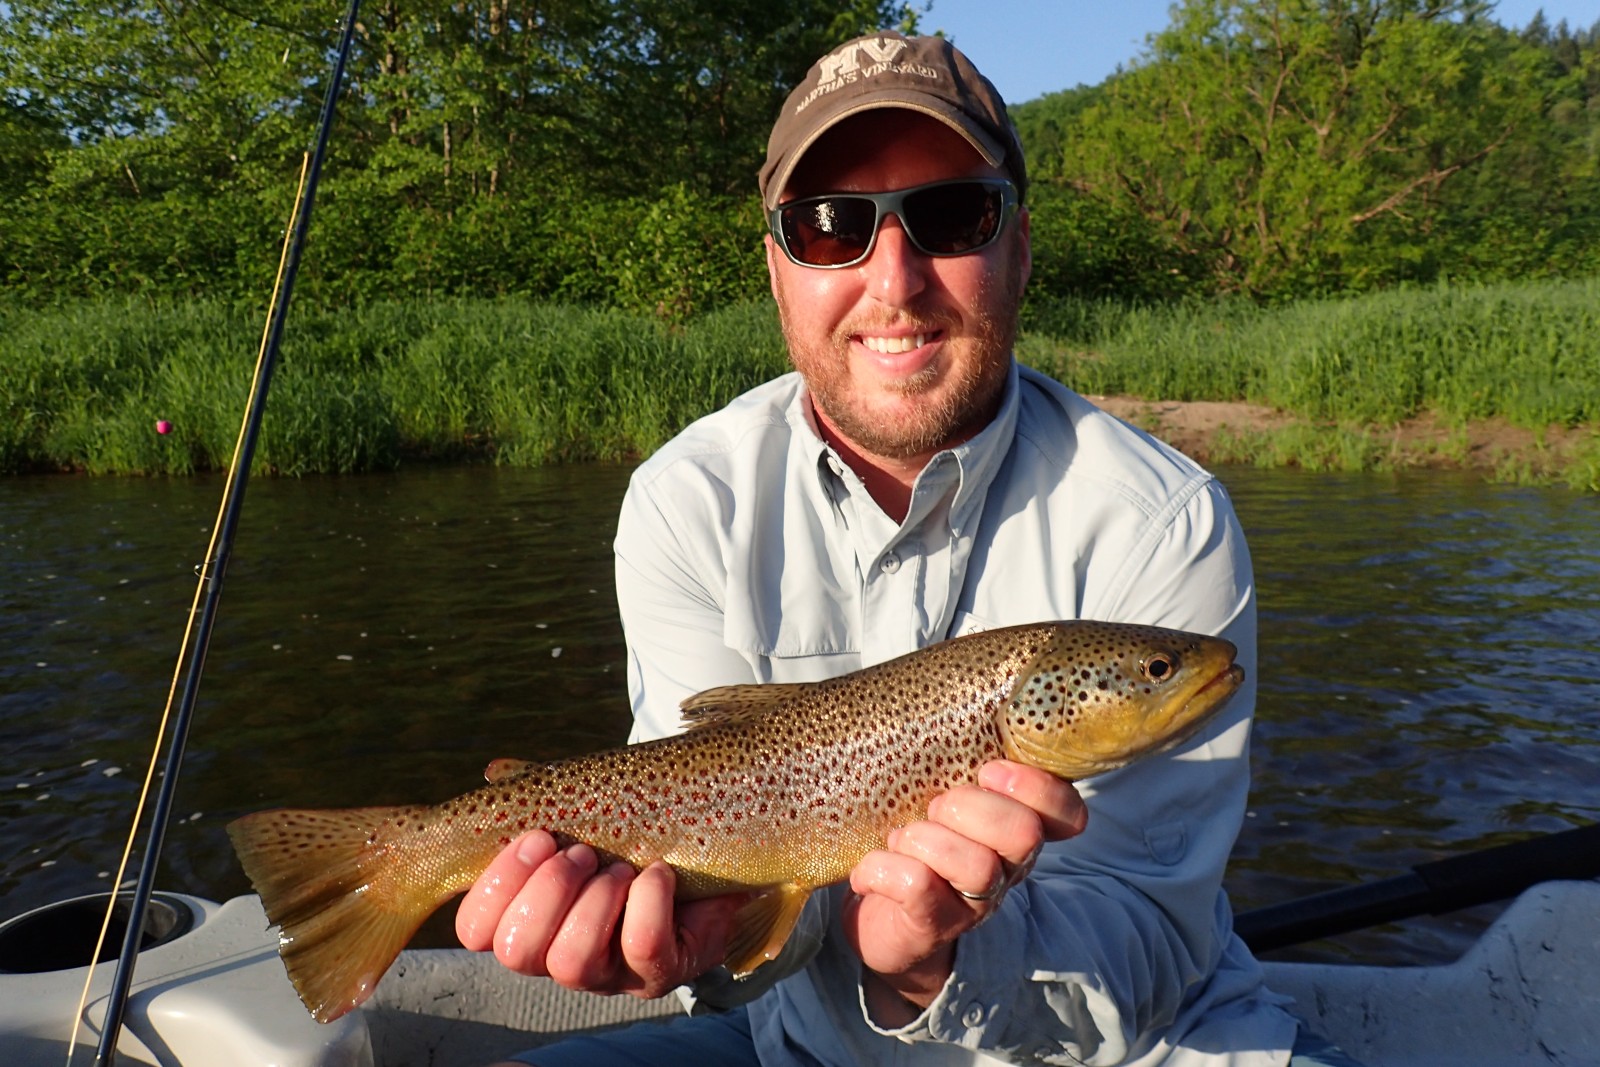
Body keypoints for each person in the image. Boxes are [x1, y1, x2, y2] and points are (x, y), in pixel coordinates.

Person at [456, 30, 1355, 1067]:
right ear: (776, 269)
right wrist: (698, 943)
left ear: (1018, 245)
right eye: (830, 226)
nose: (895, 278)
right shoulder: (685, 500)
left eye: (951, 215)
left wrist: (923, 962)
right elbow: (735, 935)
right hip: (799, 1042)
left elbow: (1148, 939)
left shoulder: (1162, 519)